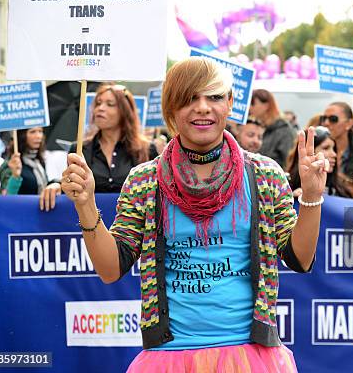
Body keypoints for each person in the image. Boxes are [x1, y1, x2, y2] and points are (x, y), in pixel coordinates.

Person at [60, 57, 328, 372]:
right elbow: (110, 269)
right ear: (171, 109)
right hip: (169, 357)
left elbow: (299, 259)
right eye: (189, 98)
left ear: (230, 103)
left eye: (214, 97)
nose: (202, 107)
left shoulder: (264, 175)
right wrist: (86, 204)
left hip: (251, 355)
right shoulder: (145, 180)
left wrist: (311, 196)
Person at [70, 83, 157, 193]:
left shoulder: (147, 149)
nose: (100, 108)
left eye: (110, 104)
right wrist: (56, 185)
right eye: (98, 103)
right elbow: (71, 186)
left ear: (125, 111)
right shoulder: (79, 149)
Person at [0, 127, 54, 197]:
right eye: (32, 132)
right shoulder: (10, 164)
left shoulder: (39, 162)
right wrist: (15, 176)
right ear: (22, 135)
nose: (38, 136)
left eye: (40, 131)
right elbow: (5, 197)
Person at [286, 125, 338, 197]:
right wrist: (290, 198)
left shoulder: (342, 188)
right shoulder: (285, 185)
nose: (334, 154)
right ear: (307, 152)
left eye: (334, 149)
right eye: (326, 148)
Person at [249, 89, 296, 167]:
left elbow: (288, 162)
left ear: (266, 106)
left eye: (253, 104)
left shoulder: (285, 131)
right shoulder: (262, 128)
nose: (250, 108)